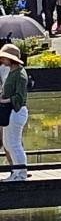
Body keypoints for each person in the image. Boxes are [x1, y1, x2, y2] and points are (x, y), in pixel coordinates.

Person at [1, 43, 29, 181]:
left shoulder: (20, 74)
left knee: (14, 144)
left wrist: (5, 101)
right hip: (10, 112)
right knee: (7, 143)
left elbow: (20, 96)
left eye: (4, 57)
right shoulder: (12, 72)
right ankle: (15, 173)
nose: (2, 60)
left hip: (16, 111)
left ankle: (21, 174)